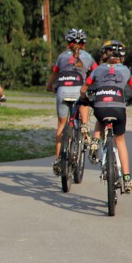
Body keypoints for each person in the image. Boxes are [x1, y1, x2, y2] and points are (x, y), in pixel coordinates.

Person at [80, 40, 132, 193]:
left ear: (105, 54)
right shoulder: (126, 71)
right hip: (119, 108)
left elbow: (84, 88)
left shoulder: (98, 69)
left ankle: (95, 140)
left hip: (101, 106)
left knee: (101, 115)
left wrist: (85, 99)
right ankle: (127, 179)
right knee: (120, 141)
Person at [45, 29, 97, 176]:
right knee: (84, 100)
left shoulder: (61, 57)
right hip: (78, 89)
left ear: (68, 44)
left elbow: (54, 74)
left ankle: (58, 160)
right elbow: (96, 73)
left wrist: (49, 87)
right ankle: (85, 126)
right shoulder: (88, 57)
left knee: (61, 124)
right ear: (84, 44)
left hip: (62, 89)